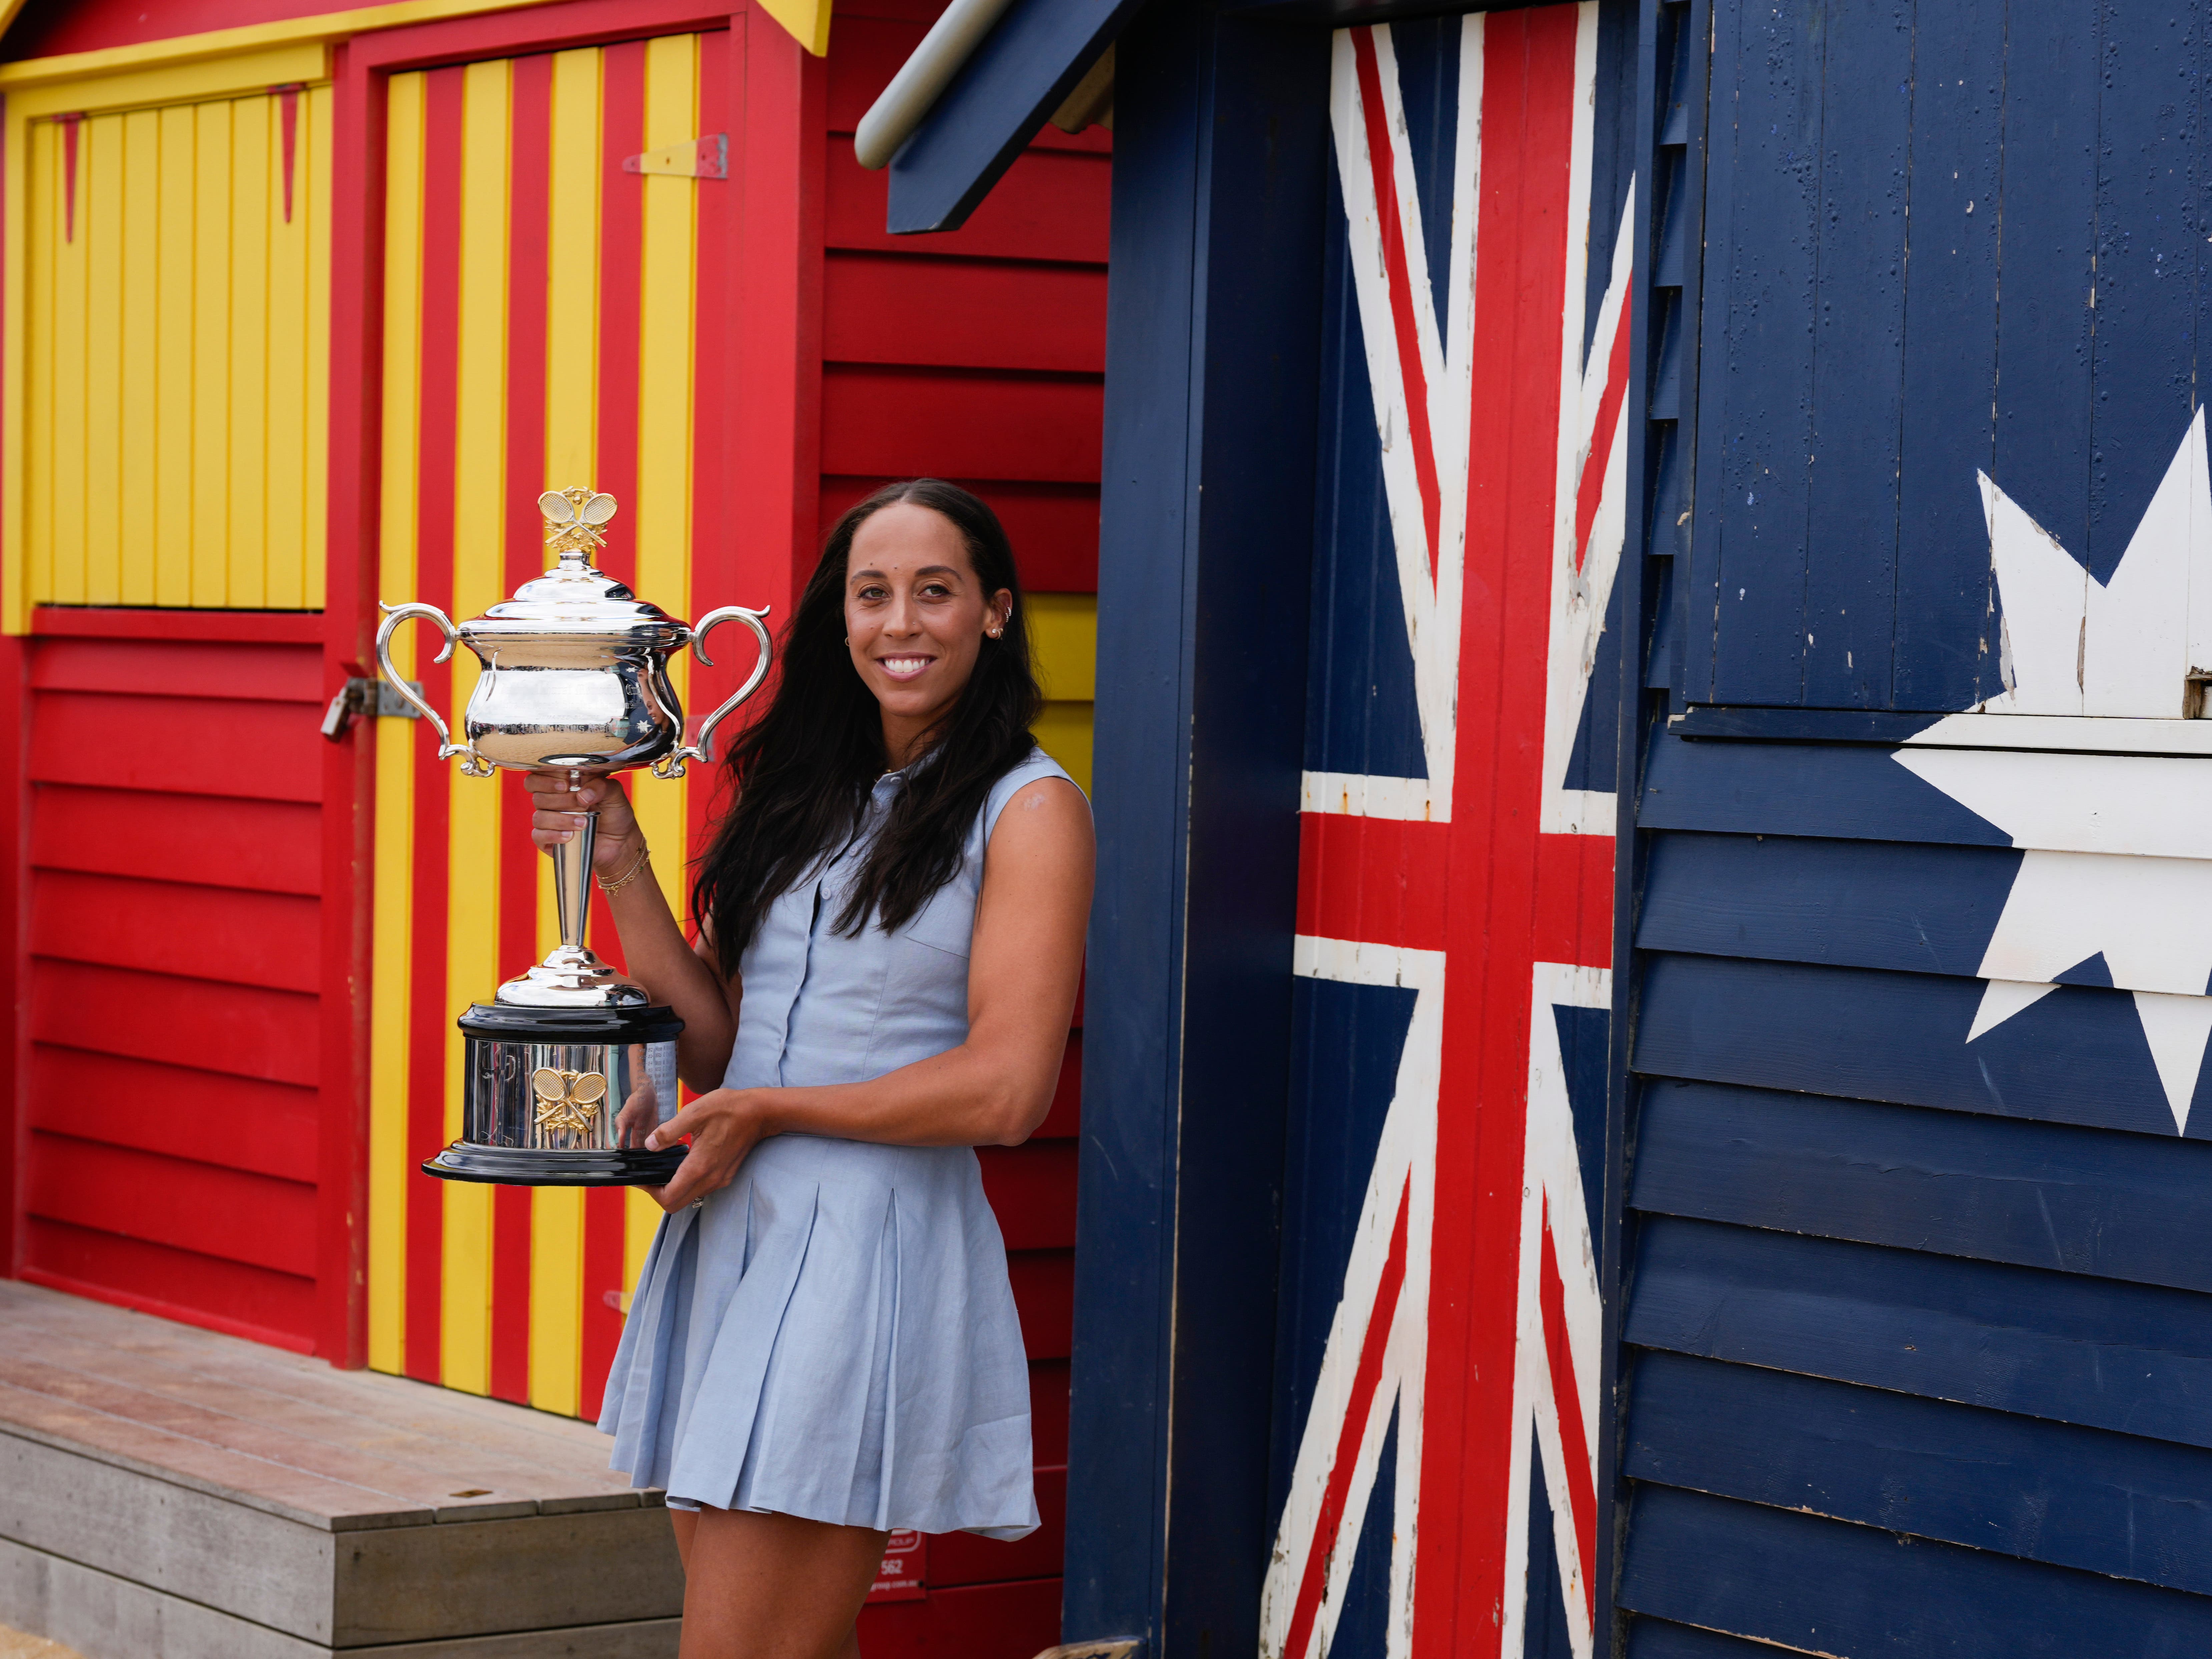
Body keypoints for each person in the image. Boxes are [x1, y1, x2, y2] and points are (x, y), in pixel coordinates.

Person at [525, 480, 1094, 1659]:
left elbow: (1007, 1090)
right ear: (838, 619)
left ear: (994, 613)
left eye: (934, 593)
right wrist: (618, 855)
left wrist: (766, 1111)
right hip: (739, 1232)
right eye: (871, 594)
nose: (900, 623)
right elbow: (725, 1040)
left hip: (867, 1250)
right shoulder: (805, 794)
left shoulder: (1028, 809)